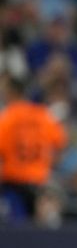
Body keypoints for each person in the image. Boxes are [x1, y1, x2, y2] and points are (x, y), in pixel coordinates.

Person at [0, 74, 67, 220]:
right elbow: (60, 145)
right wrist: (48, 164)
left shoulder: (6, 118)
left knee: (15, 233)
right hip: (40, 182)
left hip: (13, 182)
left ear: (11, 93)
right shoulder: (43, 115)